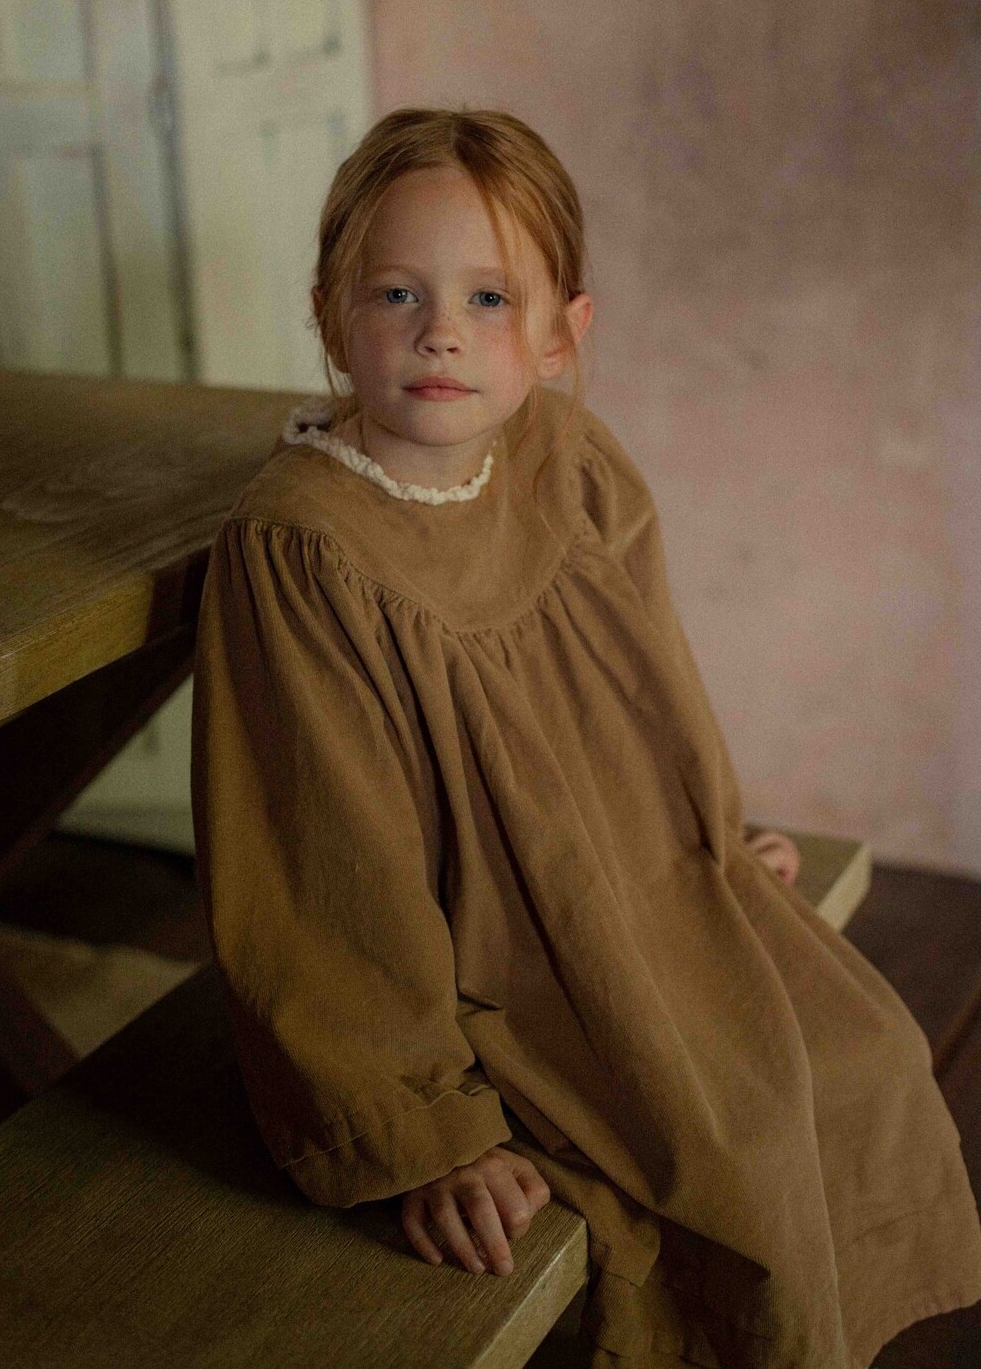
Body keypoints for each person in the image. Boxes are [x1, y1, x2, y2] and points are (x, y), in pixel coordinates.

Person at [190, 107, 981, 1367]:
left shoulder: (562, 454)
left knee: (865, 1053)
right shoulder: (304, 546)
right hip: (488, 942)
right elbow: (324, 865)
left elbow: (651, 680)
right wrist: (423, 1130)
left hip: (632, 874)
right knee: (724, 1141)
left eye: (489, 298)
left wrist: (711, 836)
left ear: (562, 334)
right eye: (396, 293)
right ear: (331, 315)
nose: (441, 331)